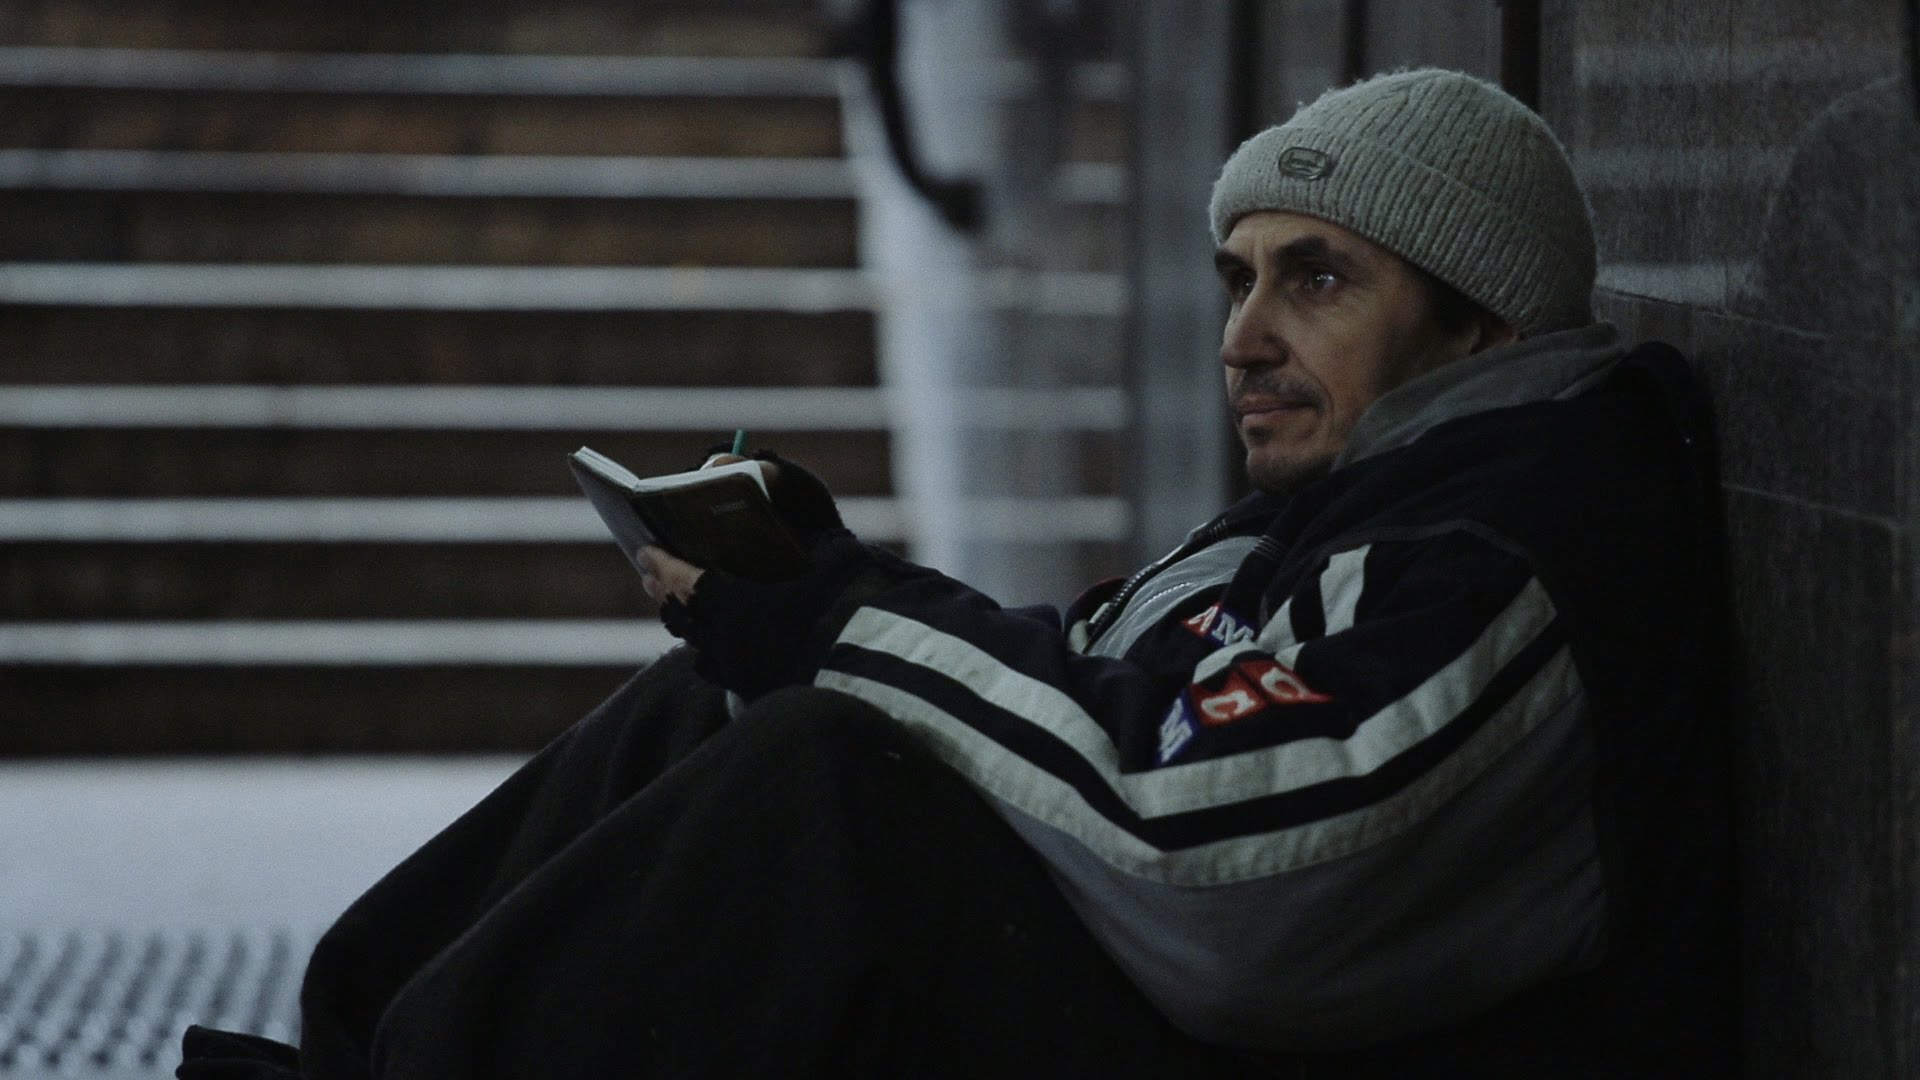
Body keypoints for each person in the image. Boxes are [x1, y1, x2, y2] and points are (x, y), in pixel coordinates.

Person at [180, 69, 1732, 1078]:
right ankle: (345, 1053)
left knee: (829, 780)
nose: (1243, 338)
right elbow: (1085, 674)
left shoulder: (1510, 542)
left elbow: (1230, 864)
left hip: (1286, 1030)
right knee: (721, 703)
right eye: (1238, 279)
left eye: (1315, 280)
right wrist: (828, 590)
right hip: (1172, 1006)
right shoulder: (1344, 504)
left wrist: (848, 625)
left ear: (1481, 320)